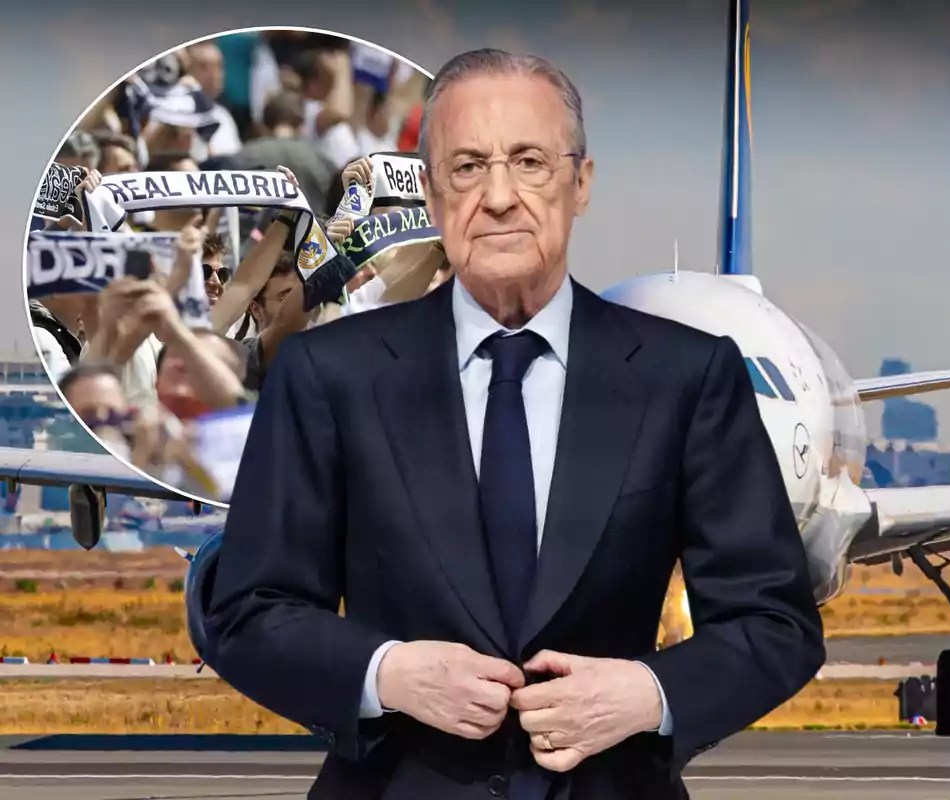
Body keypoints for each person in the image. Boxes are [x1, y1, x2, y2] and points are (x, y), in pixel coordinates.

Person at [204, 48, 825, 799]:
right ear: (432, 199)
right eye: (467, 167)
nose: (498, 196)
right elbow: (246, 611)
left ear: (580, 184)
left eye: (529, 161)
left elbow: (777, 624)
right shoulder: (328, 375)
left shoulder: (685, 377)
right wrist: (387, 673)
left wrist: (647, 694)